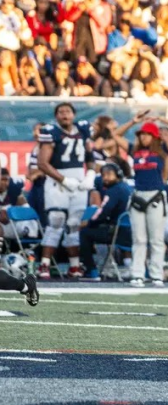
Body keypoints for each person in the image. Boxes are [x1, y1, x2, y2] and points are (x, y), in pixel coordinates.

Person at [114, 112, 168, 287]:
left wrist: (160, 119)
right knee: (139, 239)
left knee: (156, 239)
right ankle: (137, 274)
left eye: (147, 134)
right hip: (138, 196)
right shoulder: (134, 151)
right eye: (141, 134)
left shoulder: (162, 150)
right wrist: (133, 121)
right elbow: (115, 135)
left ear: (154, 136)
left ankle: (156, 274)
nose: (143, 137)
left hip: (156, 196)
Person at [37, 102, 96, 278]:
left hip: (78, 179)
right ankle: (44, 265)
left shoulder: (83, 130)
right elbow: (42, 163)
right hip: (58, 181)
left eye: (68, 111)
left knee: (74, 224)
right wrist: (63, 179)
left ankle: (74, 266)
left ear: (74, 114)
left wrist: (91, 173)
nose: (65, 115)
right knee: (56, 221)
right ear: (56, 116)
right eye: (61, 112)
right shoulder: (51, 132)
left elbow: (89, 154)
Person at [79, 163, 132, 280]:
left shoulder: (114, 190)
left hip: (118, 233)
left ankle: (92, 271)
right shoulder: (126, 188)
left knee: (84, 233)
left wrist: (89, 223)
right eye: (103, 175)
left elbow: (104, 212)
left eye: (109, 174)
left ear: (118, 175)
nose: (105, 178)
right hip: (130, 232)